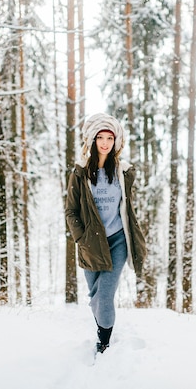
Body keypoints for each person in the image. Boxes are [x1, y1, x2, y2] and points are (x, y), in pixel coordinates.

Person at [65, 112, 147, 354]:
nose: (104, 142)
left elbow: (128, 209)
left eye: (109, 137)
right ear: (91, 140)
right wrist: (81, 238)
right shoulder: (80, 173)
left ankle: (104, 345)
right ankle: (103, 329)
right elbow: (71, 211)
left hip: (118, 240)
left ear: (116, 141)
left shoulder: (123, 172)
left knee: (105, 295)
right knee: (94, 295)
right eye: (100, 137)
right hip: (90, 243)